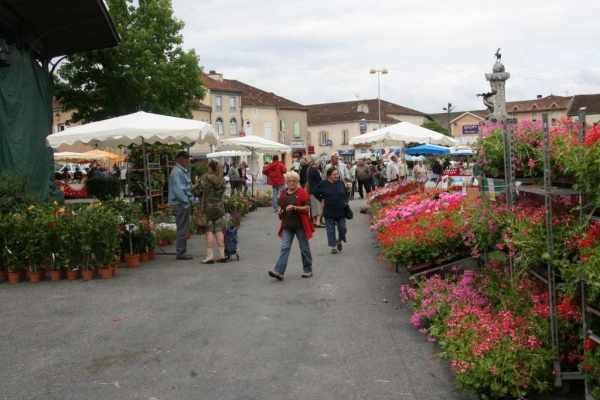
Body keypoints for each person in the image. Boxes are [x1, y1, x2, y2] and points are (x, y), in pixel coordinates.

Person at [268, 171, 314, 281]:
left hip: (300, 225)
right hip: (287, 225)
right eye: (289, 181)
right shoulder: (283, 193)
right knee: (284, 248)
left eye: (294, 181)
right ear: (286, 182)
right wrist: (280, 210)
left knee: (304, 248)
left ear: (297, 182)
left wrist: (295, 207)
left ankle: (308, 269)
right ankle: (279, 272)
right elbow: (281, 205)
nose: (291, 183)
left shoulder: (302, 192)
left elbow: (307, 208)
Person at [198, 160, 227, 264]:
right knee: (219, 230)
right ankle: (222, 255)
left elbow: (197, 190)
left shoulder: (205, 178)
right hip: (219, 207)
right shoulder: (222, 180)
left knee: (209, 230)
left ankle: (210, 256)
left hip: (208, 208)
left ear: (210, 168)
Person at [314, 168, 348, 254]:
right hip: (328, 210)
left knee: (342, 228)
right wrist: (321, 199)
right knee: (330, 229)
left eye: (337, 174)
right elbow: (315, 192)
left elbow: (345, 193)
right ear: (329, 176)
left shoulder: (340, 183)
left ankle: (339, 241)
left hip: (340, 210)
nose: (337, 176)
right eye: (334, 174)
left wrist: (345, 202)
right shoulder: (323, 183)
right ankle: (333, 246)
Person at [168, 151, 193, 260]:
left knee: (183, 227)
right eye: (186, 160)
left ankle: (182, 251)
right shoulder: (176, 172)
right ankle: (181, 252)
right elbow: (178, 190)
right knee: (182, 228)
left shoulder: (179, 171)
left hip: (181, 203)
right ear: (181, 160)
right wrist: (186, 202)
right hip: (180, 204)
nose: (188, 162)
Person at [305, 156, 324, 227]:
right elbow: (319, 180)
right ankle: (318, 222)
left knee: (313, 206)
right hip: (316, 190)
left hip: (311, 190)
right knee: (319, 206)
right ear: (316, 162)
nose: (319, 163)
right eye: (319, 162)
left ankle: (314, 221)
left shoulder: (309, 169)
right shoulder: (314, 170)